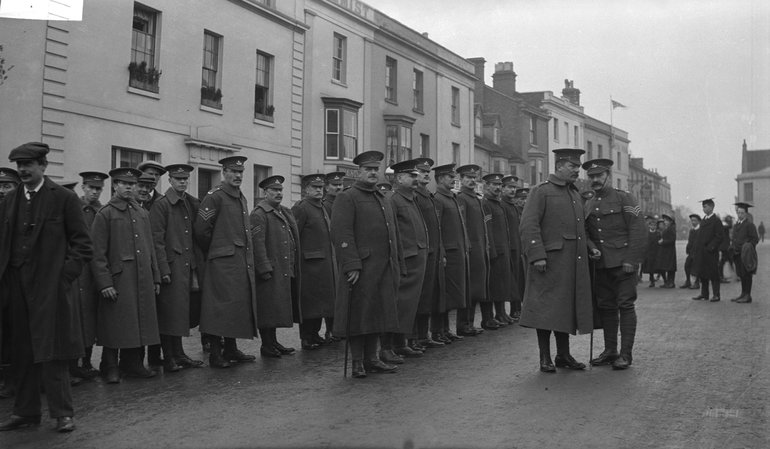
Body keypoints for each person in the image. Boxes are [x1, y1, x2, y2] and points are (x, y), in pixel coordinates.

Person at [0, 142, 92, 433]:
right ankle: (25, 412)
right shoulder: (10, 200)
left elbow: (82, 244)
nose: (23, 170)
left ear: (43, 166)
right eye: (19, 165)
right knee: (21, 351)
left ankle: (63, 413)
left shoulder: (64, 198)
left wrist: (63, 277)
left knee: (53, 352)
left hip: (50, 288)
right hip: (16, 286)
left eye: (29, 164)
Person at [519, 148, 595, 373]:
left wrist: (590, 249)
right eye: (572, 166)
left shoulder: (573, 193)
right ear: (559, 165)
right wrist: (537, 256)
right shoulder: (540, 191)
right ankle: (545, 357)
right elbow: (528, 225)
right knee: (544, 311)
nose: (576, 171)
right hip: (548, 263)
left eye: (577, 167)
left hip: (571, 264)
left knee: (564, 309)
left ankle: (563, 355)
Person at [330, 150, 400, 378]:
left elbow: (391, 234)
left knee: (377, 314)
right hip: (361, 268)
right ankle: (358, 363)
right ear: (358, 171)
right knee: (358, 316)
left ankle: (373, 358)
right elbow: (341, 233)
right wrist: (351, 264)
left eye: (375, 169)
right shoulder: (347, 197)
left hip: (382, 266)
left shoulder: (381, 197)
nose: (372, 173)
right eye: (368, 169)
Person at [91, 168, 161, 383]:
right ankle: (109, 365)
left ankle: (133, 364)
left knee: (138, 322)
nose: (129, 187)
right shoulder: (106, 214)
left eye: (132, 183)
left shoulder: (142, 213)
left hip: (142, 278)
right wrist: (104, 283)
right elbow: (96, 253)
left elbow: (150, 248)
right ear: (114, 185)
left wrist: (155, 276)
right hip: (119, 279)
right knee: (115, 324)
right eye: (123, 183)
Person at [194, 156, 258, 368]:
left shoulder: (240, 197)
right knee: (218, 308)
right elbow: (202, 231)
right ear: (224, 172)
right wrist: (217, 250)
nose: (238, 176)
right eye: (233, 171)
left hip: (238, 262)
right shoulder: (215, 197)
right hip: (221, 263)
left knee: (235, 306)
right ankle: (215, 354)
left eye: (241, 172)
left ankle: (231, 349)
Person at [582, 158, 646, 370]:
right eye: (591, 176)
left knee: (625, 305)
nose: (595, 180)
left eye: (599, 175)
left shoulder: (624, 198)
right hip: (601, 265)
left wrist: (631, 260)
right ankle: (611, 351)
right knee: (607, 307)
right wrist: (592, 247)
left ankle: (625, 355)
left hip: (623, 264)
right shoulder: (589, 202)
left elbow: (638, 230)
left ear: (608, 175)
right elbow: (587, 233)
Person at [149, 164, 204, 373]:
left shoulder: (188, 203)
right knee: (168, 314)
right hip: (171, 267)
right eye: (178, 179)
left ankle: (179, 353)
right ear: (170, 180)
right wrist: (163, 269)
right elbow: (157, 240)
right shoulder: (162, 205)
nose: (182, 182)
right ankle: (169, 356)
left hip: (186, 265)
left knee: (180, 312)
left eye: (185, 179)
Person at [382, 160, 428, 363]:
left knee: (409, 305)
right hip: (405, 260)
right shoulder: (393, 200)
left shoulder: (410, 198)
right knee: (397, 304)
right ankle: (387, 347)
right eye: (412, 176)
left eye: (417, 176)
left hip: (416, 259)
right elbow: (392, 233)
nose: (416, 179)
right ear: (399, 178)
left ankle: (401, 343)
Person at [251, 175, 301, 358]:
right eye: (274, 190)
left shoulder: (283, 211)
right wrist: (263, 268)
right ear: (265, 193)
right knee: (268, 308)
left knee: (276, 307)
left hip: (283, 267)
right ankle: (267, 345)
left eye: (280, 190)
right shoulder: (259, 214)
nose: (279, 193)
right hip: (270, 269)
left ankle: (273, 341)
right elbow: (257, 243)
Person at [67, 171, 108, 382]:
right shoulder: (75, 210)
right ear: (83, 187)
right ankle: (73, 365)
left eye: (98, 188)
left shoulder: (102, 211)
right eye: (91, 187)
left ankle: (87, 362)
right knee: (78, 317)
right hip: (78, 271)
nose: (94, 191)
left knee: (91, 317)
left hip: (96, 272)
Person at [292, 174, 337, 350]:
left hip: (323, 263)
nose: (319, 190)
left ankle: (315, 334)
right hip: (308, 264)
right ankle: (306, 337)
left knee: (321, 302)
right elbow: (295, 235)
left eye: (320, 187)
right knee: (309, 303)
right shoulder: (302, 208)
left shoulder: (321, 207)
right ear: (306, 190)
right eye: (314, 187)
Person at [431, 163, 469, 342]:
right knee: (443, 294)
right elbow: (437, 228)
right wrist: (443, 252)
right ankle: (438, 330)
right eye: (449, 177)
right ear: (439, 179)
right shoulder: (438, 199)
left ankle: (446, 329)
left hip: (457, 252)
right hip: (448, 253)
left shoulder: (452, 198)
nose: (453, 179)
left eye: (453, 176)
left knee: (452, 293)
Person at [411, 158, 446, 349]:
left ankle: (424, 335)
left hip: (433, 252)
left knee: (429, 296)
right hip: (421, 252)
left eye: (427, 172)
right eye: (421, 172)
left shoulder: (429, 196)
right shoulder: (414, 196)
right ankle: (414, 336)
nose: (426, 175)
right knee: (418, 296)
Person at [455, 164, 492, 333]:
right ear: (461, 179)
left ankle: (470, 323)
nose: (471, 180)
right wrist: (467, 245)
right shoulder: (462, 198)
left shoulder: (475, 198)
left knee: (476, 287)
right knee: (468, 288)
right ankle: (463, 324)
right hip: (470, 249)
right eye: (468, 178)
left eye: (473, 177)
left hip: (479, 248)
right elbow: (462, 224)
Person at [481, 173, 513, 325]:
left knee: (501, 284)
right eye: (494, 184)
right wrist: (491, 251)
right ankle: (488, 317)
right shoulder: (486, 203)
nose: (497, 187)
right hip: (495, 251)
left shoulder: (497, 203)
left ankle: (501, 313)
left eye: (499, 185)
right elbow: (487, 229)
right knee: (491, 286)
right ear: (486, 186)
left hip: (503, 250)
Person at [0, 167, 20, 398]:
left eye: (7, 186)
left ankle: (12, 379)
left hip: (14, 280)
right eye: (0, 186)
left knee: (14, 332)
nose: (2, 190)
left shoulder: (22, 213)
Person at [321, 171, 345, 342]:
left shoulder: (344, 203)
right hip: (331, 253)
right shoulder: (325, 206)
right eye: (335, 185)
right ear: (326, 187)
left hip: (344, 252)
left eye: (340, 184)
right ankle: (331, 329)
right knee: (332, 295)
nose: (338, 187)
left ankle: (340, 327)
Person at [501, 176, 524, 322]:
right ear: (503, 189)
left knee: (517, 278)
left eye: (514, 187)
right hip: (507, 247)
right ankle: (506, 311)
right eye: (509, 187)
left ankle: (517, 309)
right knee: (508, 280)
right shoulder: (502, 205)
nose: (512, 190)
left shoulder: (514, 207)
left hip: (517, 247)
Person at [691, 198, 724, 302]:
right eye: (703, 207)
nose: (703, 209)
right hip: (702, 252)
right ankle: (704, 294)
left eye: (705, 206)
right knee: (703, 273)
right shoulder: (704, 220)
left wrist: (711, 247)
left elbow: (719, 236)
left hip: (711, 252)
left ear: (711, 207)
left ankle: (716, 295)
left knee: (714, 273)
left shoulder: (716, 220)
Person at [730, 203, 759, 303]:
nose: (740, 215)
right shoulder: (736, 225)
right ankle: (743, 293)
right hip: (737, 254)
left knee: (747, 274)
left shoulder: (749, 225)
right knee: (741, 274)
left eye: (742, 213)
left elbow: (755, 239)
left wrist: (747, 246)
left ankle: (748, 295)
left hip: (746, 255)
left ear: (746, 214)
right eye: (738, 213)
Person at [655, 214, 677, 288]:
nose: (665, 222)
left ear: (671, 221)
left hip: (670, 251)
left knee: (671, 268)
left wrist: (663, 241)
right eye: (664, 220)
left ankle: (671, 282)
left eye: (666, 220)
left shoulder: (671, 228)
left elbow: (672, 240)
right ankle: (667, 282)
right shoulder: (667, 228)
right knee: (666, 267)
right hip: (666, 251)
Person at [680, 214, 702, 289]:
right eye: (692, 220)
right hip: (691, 252)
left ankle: (697, 282)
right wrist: (688, 249)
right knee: (687, 265)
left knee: (697, 267)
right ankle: (688, 281)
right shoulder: (692, 230)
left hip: (698, 252)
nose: (693, 222)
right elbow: (690, 241)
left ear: (699, 221)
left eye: (694, 220)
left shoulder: (701, 230)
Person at [641, 216, 660, 287]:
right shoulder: (646, 234)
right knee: (650, 267)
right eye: (651, 225)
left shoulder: (658, 234)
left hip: (656, 253)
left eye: (654, 225)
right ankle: (652, 281)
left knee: (659, 266)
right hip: (649, 253)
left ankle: (662, 277)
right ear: (649, 226)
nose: (653, 227)